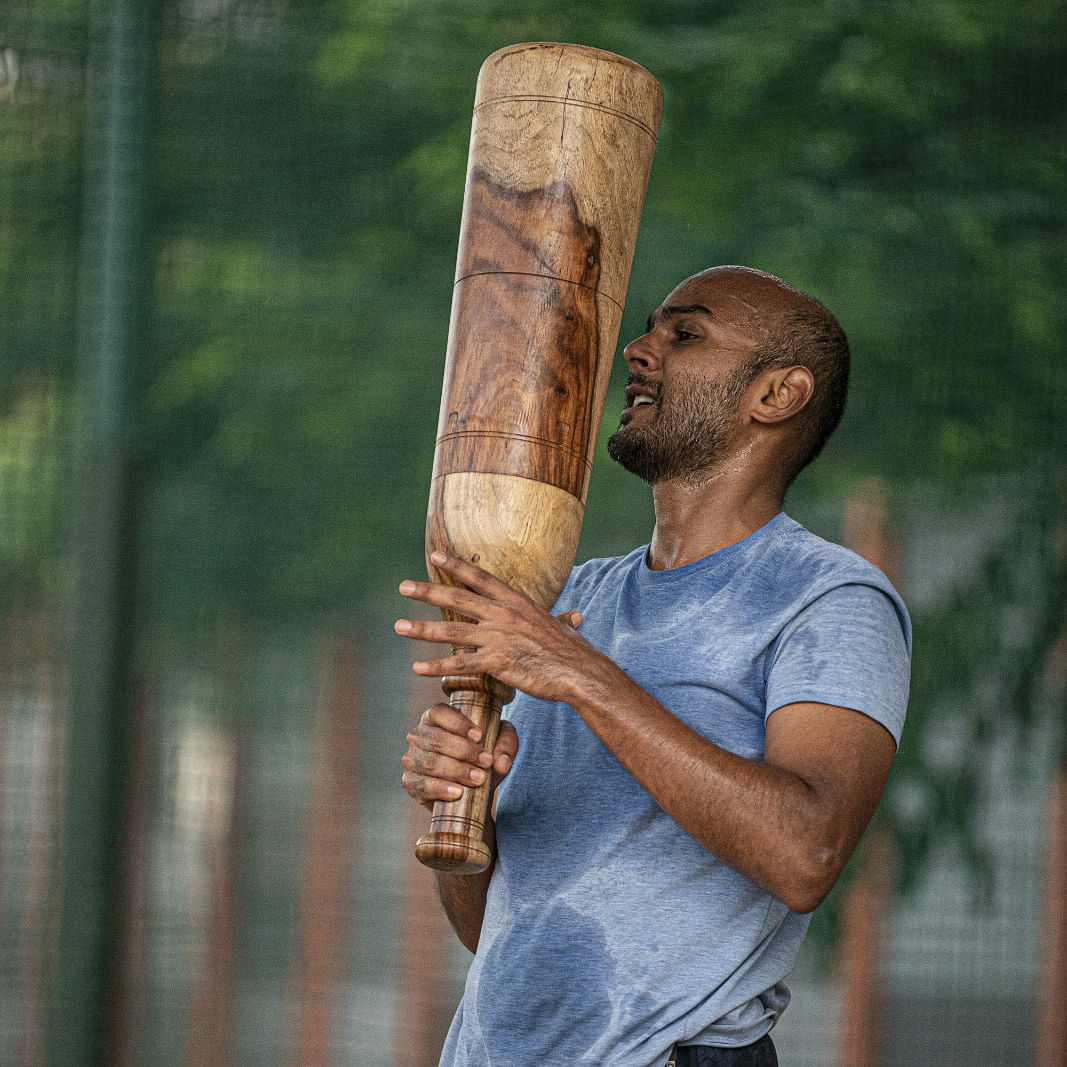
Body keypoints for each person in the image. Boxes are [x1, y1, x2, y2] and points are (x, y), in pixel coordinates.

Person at [395, 266, 911, 1067]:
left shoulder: (829, 597)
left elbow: (804, 854)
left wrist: (578, 674)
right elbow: (497, 935)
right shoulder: (573, 598)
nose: (636, 351)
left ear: (777, 394)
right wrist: (464, 803)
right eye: (649, 329)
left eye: (685, 334)